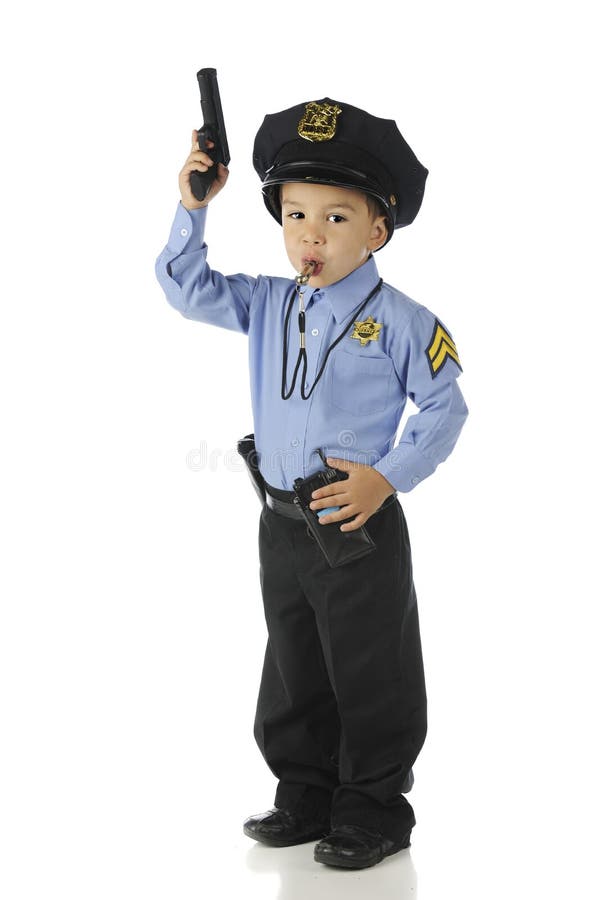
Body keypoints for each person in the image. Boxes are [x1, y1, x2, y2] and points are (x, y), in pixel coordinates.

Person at [155, 97, 468, 870]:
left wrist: (387, 479)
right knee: (295, 657)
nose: (310, 235)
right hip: (284, 517)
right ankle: (307, 788)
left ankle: (374, 807)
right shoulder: (267, 304)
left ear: (377, 230)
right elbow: (185, 287)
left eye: (334, 218)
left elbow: (445, 407)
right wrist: (191, 208)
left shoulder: (401, 320)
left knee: (369, 664)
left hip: (354, 521)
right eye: (295, 215)